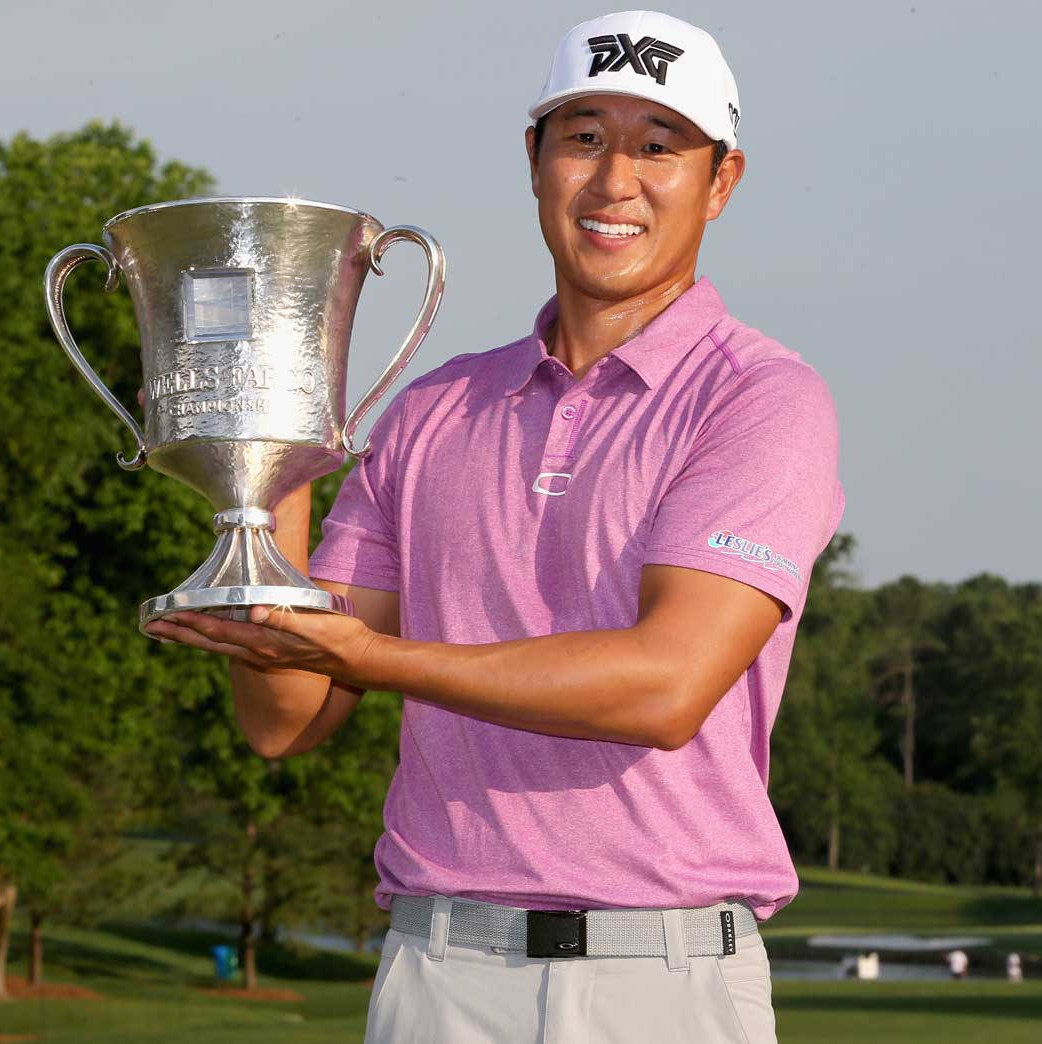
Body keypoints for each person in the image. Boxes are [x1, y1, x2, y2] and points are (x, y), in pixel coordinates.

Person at [146, 10, 842, 1043]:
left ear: (720, 180)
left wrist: (377, 660)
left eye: (658, 144)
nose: (614, 181)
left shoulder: (759, 400)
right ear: (533, 159)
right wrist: (272, 469)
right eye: (582, 135)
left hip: (662, 980)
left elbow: (664, 687)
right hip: (439, 974)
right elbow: (286, 719)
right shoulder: (432, 412)